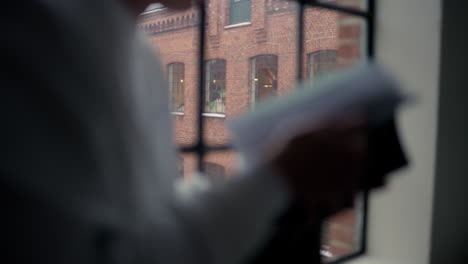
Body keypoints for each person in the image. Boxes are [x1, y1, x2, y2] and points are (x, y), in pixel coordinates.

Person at [2, 1, 372, 263]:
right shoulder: (28, 31)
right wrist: (275, 179)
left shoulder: (138, 55)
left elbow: (147, 222)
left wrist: (275, 178)